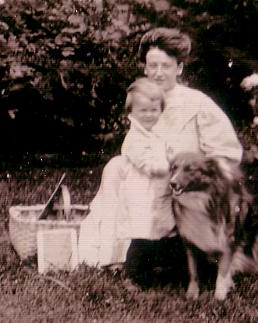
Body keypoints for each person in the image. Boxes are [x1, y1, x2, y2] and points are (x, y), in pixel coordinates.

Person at [78, 27, 243, 269]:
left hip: (186, 179)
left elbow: (226, 153)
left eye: (165, 66)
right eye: (152, 66)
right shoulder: (144, 100)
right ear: (144, 68)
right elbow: (137, 144)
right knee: (114, 168)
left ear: (179, 68)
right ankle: (114, 252)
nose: (158, 73)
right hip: (153, 173)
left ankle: (156, 253)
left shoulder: (197, 104)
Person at [78, 77, 175, 267]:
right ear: (131, 113)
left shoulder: (159, 133)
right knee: (140, 234)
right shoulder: (134, 139)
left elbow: (170, 149)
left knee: (162, 230)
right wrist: (169, 164)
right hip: (140, 195)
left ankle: (162, 263)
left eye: (154, 110)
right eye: (143, 111)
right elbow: (148, 165)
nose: (149, 115)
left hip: (159, 193)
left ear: (161, 111)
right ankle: (134, 271)